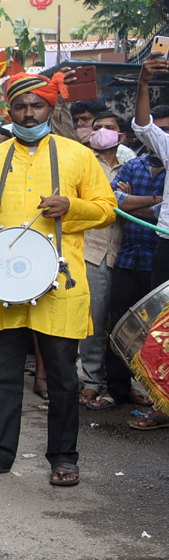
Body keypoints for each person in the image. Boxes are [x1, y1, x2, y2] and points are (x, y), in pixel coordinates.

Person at [0, 73, 117, 485]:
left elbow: (107, 209)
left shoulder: (78, 156)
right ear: (9, 111)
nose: (29, 113)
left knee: (63, 378)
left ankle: (63, 458)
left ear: (51, 109)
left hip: (59, 285)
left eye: (37, 106)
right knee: (2, 376)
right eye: (21, 106)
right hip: (4, 283)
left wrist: (71, 206)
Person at [117, 56, 169, 428]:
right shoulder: (167, 146)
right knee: (163, 329)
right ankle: (161, 403)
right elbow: (142, 125)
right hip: (166, 245)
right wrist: (144, 84)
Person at [77, 114, 127, 408]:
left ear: (122, 135)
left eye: (110, 128)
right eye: (97, 128)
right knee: (93, 320)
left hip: (126, 251)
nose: (102, 133)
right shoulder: (84, 161)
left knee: (120, 322)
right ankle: (93, 380)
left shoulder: (132, 161)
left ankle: (122, 382)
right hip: (92, 249)